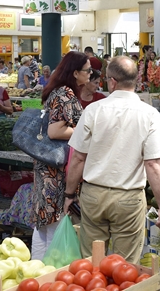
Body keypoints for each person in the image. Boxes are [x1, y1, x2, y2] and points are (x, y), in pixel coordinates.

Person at [64, 56, 160, 263]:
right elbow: (153, 165)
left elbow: (78, 159)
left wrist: (69, 194)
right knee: (124, 268)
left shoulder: (93, 110)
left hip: (93, 195)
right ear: (136, 80)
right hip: (128, 199)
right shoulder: (150, 114)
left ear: (112, 81)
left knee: (91, 264)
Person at [31, 51, 91, 260]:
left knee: (44, 223)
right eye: (87, 70)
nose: (90, 74)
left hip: (47, 166)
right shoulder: (65, 94)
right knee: (54, 223)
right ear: (75, 73)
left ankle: (38, 270)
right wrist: (85, 132)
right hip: (55, 169)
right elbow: (55, 131)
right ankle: (48, 273)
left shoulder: (57, 91)